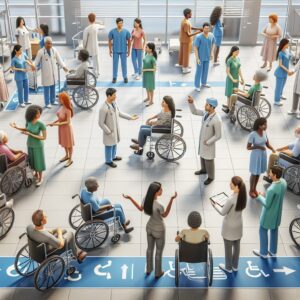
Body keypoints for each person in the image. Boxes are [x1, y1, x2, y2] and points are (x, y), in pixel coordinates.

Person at [123, 182, 177, 278]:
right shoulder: (159, 205)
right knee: (159, 252)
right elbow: (165, 215)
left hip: (149, 228)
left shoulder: (146, 199)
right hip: (159, 229)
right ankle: (158, 273)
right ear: (156, 192)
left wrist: (130, 198)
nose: (162, 190)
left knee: (149, 249)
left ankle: (148, 270)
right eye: (160, 189)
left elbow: (140, 208)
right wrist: (171, 200)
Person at [211, 176, 247, 273]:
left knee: (228, 248)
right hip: (239, 225)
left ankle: (228, 267)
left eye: (232, 184)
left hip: (229, 227)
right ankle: (235, 266)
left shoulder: (231, 199)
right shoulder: (243, 196)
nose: (229, 184)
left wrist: (215, 206)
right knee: (237, 246)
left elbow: (223, 212)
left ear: (237, 187)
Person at [98, 88, 138, 168]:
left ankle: (113, 157)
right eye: (114, 95)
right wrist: (109, 132)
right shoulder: (103, 108)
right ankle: (108, 161)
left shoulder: (114, 103)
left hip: (115, 130)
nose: (116, 96)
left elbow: (119, 113)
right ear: (109, 96)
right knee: (109, 146)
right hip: (109, 132)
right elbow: (101, 123)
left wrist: (130, 117)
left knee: (114, 144)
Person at [253, 166, 287, 258]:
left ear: (275, 175)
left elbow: (267, 204)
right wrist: (266, 195)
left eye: (270, 173)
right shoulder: (283, 182)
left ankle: (263, 253)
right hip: (277, 214)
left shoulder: (271, 189)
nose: (269, 174)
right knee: (274, 230)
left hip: (268, 215)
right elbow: (276, 197)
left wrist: (259, 196)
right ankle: (273, 251)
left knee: (262, 230)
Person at [188, 96, 222, 185]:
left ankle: (211, 177)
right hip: (203, 141)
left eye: (207, 105)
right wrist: (191, 103)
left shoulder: (217, 119)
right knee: (202, 156)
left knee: (209, 160)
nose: (205, 106)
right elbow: (194, 111)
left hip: (208, 143)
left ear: (212, 107)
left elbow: (218, 135)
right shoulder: (206, 114)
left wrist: (208, 142)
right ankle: (203, 170)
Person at [10, 105, 46, 187]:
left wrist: (30, 134)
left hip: (38, 145)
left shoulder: (41, 124)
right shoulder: (29, 122)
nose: (39, 114)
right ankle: (36, 174)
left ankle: (40, 178)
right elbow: (26, 129)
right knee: (32, 161)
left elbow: (44, 137)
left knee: (39, 161)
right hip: (29, 144)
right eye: (37, 113)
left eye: (39, 113)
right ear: (32, 114)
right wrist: (16, 127)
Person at [34, 37, 68, 109]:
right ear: (45, 43)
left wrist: (64, 66)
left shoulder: (54, 50)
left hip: (53, 73)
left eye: (51, 43)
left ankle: (52, 101)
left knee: (53, 87)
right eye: (48, 43)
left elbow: (59, 60)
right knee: (46, 89)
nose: (49, 45)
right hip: (46, 73)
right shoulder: (41, 51)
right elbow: (36, 61)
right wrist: (33, 66)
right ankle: (47, 103)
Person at [247, 117, 275, 198]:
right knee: (254, 173)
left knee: (258, 172)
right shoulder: (253, 134)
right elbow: (248, 147)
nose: (266, 126)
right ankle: (251, 190)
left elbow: (267, 144)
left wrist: (272, 149)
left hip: (263, 155)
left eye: (266, 124)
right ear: (259, 126)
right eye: (264, 125)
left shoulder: (265, 132)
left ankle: (254, 189)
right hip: (256, 155)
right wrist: (259, 147)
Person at [47, 92, 74, 168]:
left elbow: (68, 121)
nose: (58, 100)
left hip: (67, 128)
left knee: (69, 144)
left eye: (59, 99)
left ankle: (70, 159)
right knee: (64, 143)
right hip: (61, 128)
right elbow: (60, 118)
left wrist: (56, 124)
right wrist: (54, 122)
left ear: (63, 99)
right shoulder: (62, 107)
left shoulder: (68, 109)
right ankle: (67, 155)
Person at [176, 8, 202, 74]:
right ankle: (185, 68)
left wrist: (198, 28)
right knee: (186, 55)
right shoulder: (186, 23)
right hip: (186, 41)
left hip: (183, 40)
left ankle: (181, 64)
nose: (191, 14)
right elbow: (189, 35)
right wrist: (198, 32)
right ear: (187, 14)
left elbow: (190, 27)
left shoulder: (185, 20)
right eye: (190, 13)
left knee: (182, 53)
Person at [108, 18, 131, 83]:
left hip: (123, 50)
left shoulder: (126, 31)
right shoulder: (112, 31)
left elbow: (129, 41)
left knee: (124, 64)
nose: (120, 24)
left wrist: (129, 50)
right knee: (115, 64)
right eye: (119, 23)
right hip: (115, 51)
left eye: (121, 23)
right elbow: (109, 41)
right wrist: (110, 50)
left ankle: (125, 77)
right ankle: (114, 77)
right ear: (116, 23)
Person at [194, 22, 215, 92]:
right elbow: (195, 48)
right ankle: (197, 86)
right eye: (206, 28)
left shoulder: (211, 35)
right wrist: (197, 58)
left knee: (205, 70)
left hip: (207, 56)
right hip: (200, 57)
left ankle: (204, 83)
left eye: (208, 28)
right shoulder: (198, 37)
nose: (207, 30)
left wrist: (212, 53)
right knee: (199, 71)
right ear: (203, 28)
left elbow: (213, 44)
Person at [83, 13, 104, 77]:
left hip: (88, 48)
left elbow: (84, 40)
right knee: (96, 60)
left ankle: (88, 73)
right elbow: (103, 25)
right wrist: (96, 21)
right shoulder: (96, 26)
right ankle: (97, 73)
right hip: (95, 47)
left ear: (88, 19)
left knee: (88, 61)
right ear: (95, 19)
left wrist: (84, 48)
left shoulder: (87, 29)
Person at [274, 38, 293, 106]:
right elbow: (280, 65)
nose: (289, 44)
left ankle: (280, 95)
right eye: (288, 43)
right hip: (280, 72)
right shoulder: (280, 53)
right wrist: (288, 71)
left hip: (285, 72)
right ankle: (276, 101)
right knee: (278, 87)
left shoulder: (287, 51)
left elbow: (291, 57)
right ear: (284, 44)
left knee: (283, 85)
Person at [142, 43, 157, 107]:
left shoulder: (153, 58)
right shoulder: (146, 54)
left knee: (150, 88)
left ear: (150, 49)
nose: (145, 48)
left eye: (146, 47)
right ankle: (148, 97)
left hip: (150, 75)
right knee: (147, 86)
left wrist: (145, 70)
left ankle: (151, 100)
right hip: (145, 74)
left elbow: (154, 69)